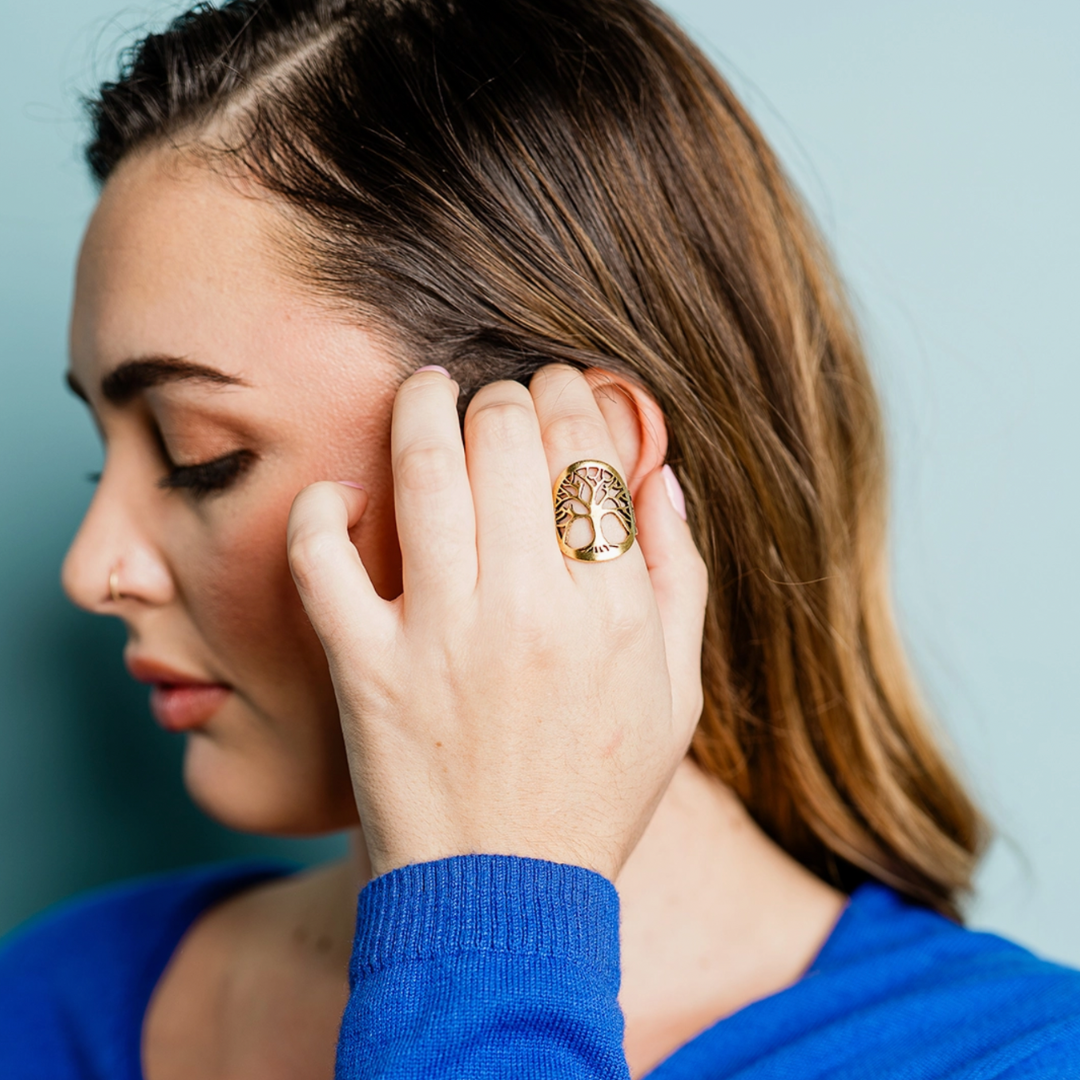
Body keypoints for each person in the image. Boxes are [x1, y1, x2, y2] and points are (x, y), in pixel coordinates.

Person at [1, 0, 1078, 1076]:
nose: (91, 571)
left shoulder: (1018, 1055)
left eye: (198, 456)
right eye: (106, 456)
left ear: (577, 470)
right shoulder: (49, 1004)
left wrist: (486, 921)